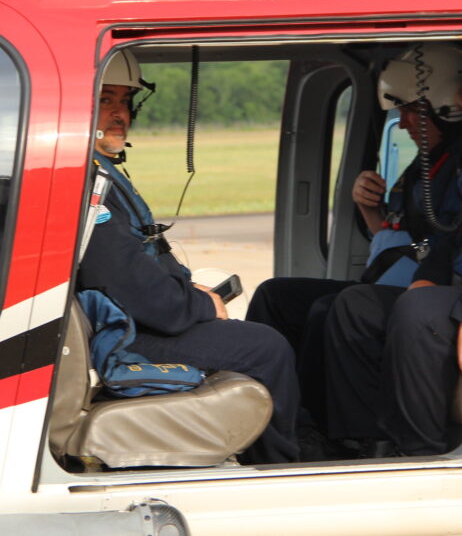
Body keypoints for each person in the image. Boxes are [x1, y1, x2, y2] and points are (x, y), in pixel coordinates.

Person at [77, 49, 300, 465]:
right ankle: (278, 468)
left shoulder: (97, 172)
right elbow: (125, 280)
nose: (119, 113)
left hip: (128, 320)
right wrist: (199, 303)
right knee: (266, 348)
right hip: (122, 337)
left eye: (125, 101)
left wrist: (189, 292)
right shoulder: (87, 184)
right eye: (105, 100)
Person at [245, 43, 462, 444]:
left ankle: (353, 439)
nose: (401, 124)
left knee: (340, 307)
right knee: (275, 295)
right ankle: (273, 419)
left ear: (443, 107)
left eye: (409, 111)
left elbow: (449, 239)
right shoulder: (423, 166)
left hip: (428, 295)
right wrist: (368, 208)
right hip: (393, 281)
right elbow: (400, 232)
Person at [322, 38, 462, 457]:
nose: (403, 123)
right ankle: (359, 442)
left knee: (416, 311)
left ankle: (421, 452)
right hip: (458, 282)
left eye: (411, 110)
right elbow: (454, 231)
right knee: (352, 306)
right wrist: (424, 276)